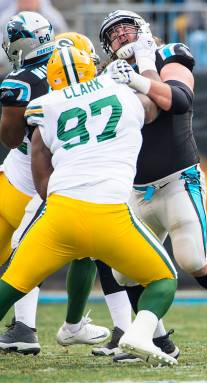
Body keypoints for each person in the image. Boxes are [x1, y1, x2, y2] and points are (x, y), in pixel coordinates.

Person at [98, 10, 207, 362]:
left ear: (144, 30)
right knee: (124, 272)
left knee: (193, 260)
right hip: (136, 187)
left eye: (128, 28)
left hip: (177, 179)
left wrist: (141, 75)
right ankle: (158, 340)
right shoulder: (108, 76)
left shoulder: (170, 54)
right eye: (114, 34)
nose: (122, 36)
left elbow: (179, 101)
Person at [0, 45, 178, 366]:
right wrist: (139, 75)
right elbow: (154, 107)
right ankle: (139, 332)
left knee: (11, 284)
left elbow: (39, 156)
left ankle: (65, 326)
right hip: (110, 213)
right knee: (164, 280)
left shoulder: (46, 106)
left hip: (60, 213)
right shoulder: (121, 94)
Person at [0, 13, 108, 355]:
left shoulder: (21, 80)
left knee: (26, 248)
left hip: (37, 170)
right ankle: (77, 326)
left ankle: (26, 328)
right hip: (73, 171)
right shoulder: (77, 58)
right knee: (89, 250)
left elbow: (11, 136)